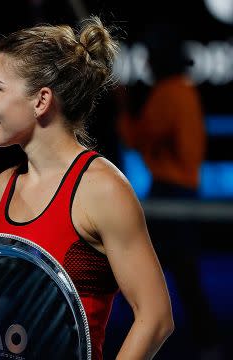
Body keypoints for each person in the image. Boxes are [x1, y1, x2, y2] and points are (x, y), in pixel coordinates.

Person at [0, 17, 174, 359]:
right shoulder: (3, 188)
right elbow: (5, 313)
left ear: (41, 100)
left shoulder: (102, 189)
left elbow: (156, 318)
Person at [117, 24, 222, 359]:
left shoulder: (169, 93)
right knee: (177, 270)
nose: (146, 62)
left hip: (171, 194)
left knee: (133, 266)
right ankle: (204, 340)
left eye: (151, 56)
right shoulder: (184, 90)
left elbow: (136, 137)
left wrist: (121, 110)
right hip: (180, 192)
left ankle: (131, 334)